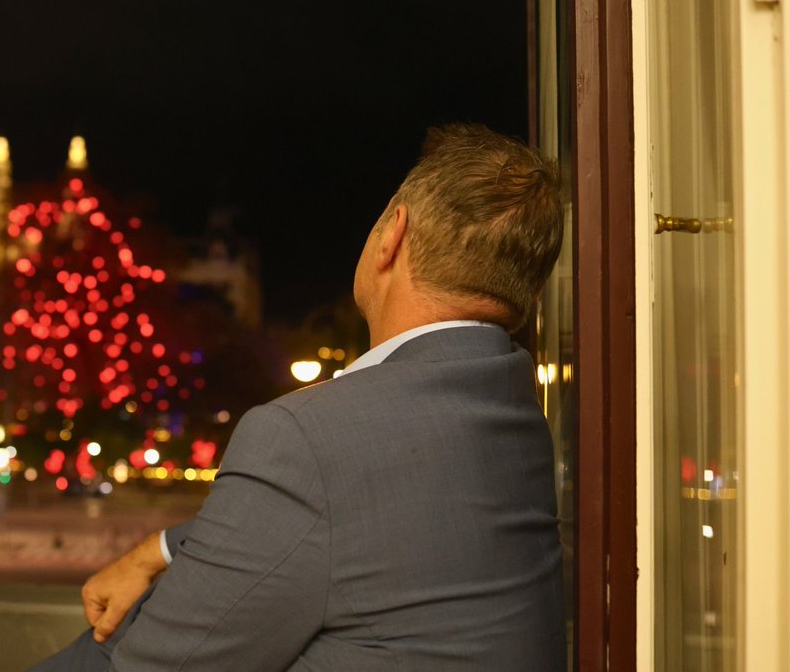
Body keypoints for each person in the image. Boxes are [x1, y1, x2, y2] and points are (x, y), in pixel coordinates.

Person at [30, 123, 566, 671]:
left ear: (393, 235)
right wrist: (162, 548)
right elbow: (386, 516)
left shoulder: (307, 436)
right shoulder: (515, 412)